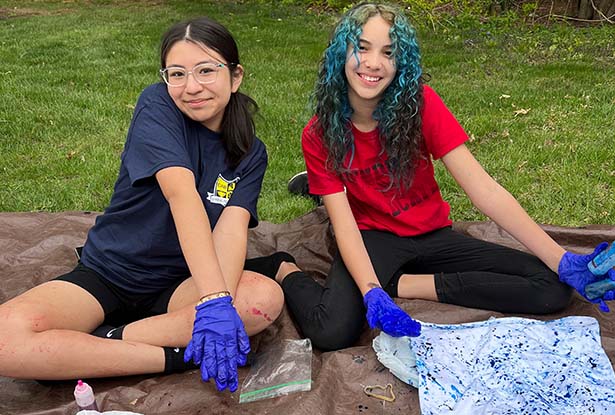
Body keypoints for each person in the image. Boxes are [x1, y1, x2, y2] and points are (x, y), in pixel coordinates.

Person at [278, 2, 615, 351]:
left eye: (388, 52)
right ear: (341, 52)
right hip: (372, 237)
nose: (373, 63)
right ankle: (284, 268)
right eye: (361, 47)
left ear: (401, 63)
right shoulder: (319, 133)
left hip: (432, 233)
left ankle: (400, 284)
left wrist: (562, 259)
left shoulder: (420, 105)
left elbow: (483, 189)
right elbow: (344, 224)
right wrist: (370, 289)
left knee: (552, 288)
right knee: (330, 332)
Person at [0, 16, 288, 393]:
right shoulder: (158, 106)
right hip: (109, 275)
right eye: (177, 73)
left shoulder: (251, 153)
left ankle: (97, 347)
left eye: (206, 70)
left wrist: (216, 301)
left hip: (180, 286)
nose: (192, 87)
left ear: (235, 77)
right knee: (5, 340)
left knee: (263, 298)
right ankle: (176, 357)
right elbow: (181, 194)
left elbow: (231, 231)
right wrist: (216, 302)